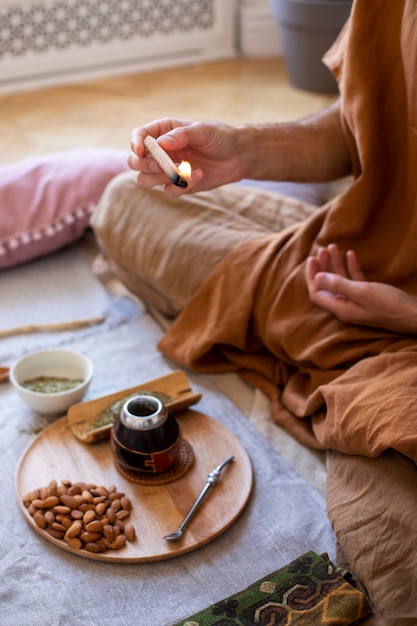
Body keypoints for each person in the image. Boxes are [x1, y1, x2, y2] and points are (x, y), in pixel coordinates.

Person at [91, 1, 417, 621]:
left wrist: (405, 315)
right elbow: (360, 125)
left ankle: (328, 354)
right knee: (121, 201)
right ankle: (304, 331)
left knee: (391, 521)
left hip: (398, 334)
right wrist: (244, 151)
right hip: (354, 250)